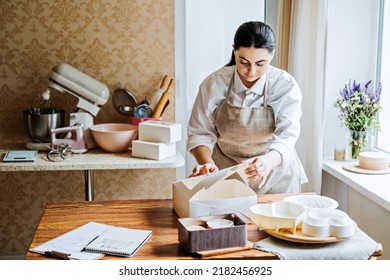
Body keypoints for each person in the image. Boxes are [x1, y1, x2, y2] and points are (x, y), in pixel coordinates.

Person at [186, 21, 307, 194]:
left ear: (272, 55)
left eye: (260, 63)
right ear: (234, 50)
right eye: (243, 62)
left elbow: (287, 137)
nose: (251, 71)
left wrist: (267, 162)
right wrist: (207, 163)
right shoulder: (214, 84)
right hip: (225, 175)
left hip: (276, 177)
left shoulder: (284, 85)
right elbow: (200, 133)